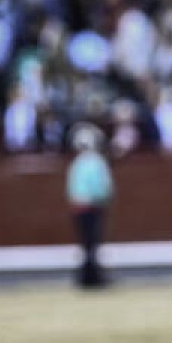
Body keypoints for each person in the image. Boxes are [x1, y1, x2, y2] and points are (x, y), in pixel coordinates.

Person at [66, 122, 113, 288]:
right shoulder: (97, 162)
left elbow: (71, 190)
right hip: (93, 207)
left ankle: (86, 277)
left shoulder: (77, 163)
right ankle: (93, 277)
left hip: (79, 208)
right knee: (92, 243)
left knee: (86, 244)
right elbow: (104, 188)